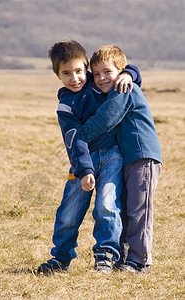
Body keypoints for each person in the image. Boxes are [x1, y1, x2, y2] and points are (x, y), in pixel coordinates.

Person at [37, 40, 142, 276]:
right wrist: (85, 170)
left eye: (78, 71)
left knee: (107, 205)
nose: (74, 78)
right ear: (57, 75)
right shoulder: (65, 107)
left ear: (86, 69)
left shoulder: (97, 86)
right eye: (66, 73)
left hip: (112, 156)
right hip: (82, 163)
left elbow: (114, 72)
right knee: (69, 211)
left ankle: (104, 257)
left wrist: (130, 73)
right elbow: (73, 141)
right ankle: (60, 258)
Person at [79, 45, 162, 274]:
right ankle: (125, 258)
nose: (101, 78)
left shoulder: (124, 88)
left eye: (107, 71)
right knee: (126, 207)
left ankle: (140, 260)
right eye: (96, 74)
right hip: (129, 158)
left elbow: (107, 118)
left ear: (120, 71)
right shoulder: (119, 82)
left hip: (142, 155)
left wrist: (79, 137)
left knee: (139, 209)